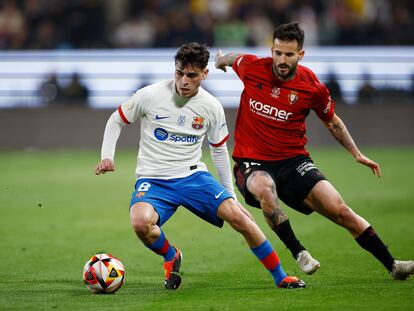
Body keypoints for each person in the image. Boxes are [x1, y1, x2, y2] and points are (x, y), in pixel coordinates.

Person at [94, 42, 305, 290]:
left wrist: (230, 193)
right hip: (153, 179)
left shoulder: (211, 107)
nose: (184, 81)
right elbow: (116, 120)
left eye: (191, 75)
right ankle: (171, 255)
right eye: (179, 73)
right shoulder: (150, 95)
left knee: (241, 219)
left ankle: (281, 276)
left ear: (204, 74)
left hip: (193, 177)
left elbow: (218, 150)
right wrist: (107, 155)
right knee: (141, 224)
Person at [215, 22, 414, 280]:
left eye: (289, 54)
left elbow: (333, 122)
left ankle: (393, 265)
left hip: (293, 161)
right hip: (251, 162)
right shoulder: (253, 67)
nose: (282, 60)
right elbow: (234, 58)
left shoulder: (312, 88)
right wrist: (221, 60)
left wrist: (356, 154)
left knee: (340, 210)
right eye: (277, 52)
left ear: (301, 55)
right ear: (271, 50)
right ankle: (299, 253)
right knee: (265, 188)